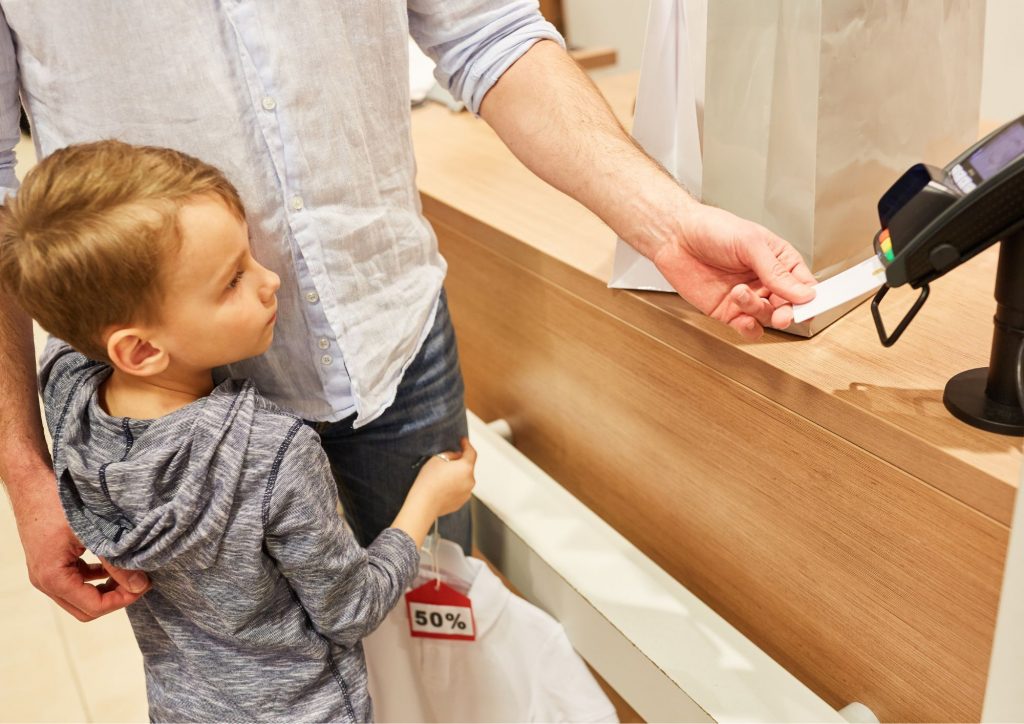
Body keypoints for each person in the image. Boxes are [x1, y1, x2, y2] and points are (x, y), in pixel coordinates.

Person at [0, 2, 816, 624]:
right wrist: (28, 476)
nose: (267, 282)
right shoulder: (155, 456)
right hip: (183, 404)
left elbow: (487, 31)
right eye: (234, 276)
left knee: (442, 630)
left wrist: (668, 223)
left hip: (391, 339)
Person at [0, 140, 478, 721]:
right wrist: (426, 502)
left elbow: (65, 338)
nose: (269, 279)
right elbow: (350, 608)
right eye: (232, 281)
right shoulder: (271, 452)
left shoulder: (69, 392)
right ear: (141, 348)